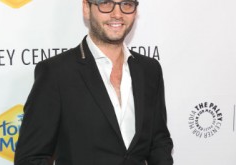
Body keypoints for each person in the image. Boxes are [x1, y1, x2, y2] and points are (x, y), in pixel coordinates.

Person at [14, 0, 173, 165]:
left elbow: (159, 140)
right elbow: (30, 158)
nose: (117, 14)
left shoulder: (149, 69)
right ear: (86, 8)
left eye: (126, 4)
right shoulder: (56, 73)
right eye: (106, 3)